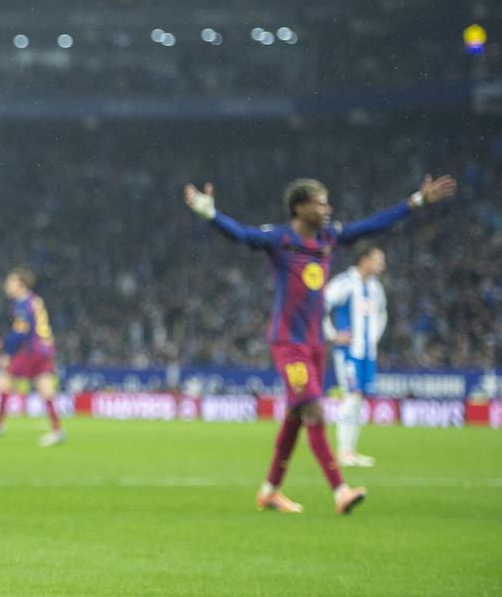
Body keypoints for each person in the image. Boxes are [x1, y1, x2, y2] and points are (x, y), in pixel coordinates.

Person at [184, 174, 455, 514]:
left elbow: (372, 225)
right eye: (320, 202)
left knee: (296, 418)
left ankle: (270, 490)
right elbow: (242, 235)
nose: (327, 208)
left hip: (315, 345)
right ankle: (340, 490)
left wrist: (416, 201)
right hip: (288, 344)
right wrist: (210, 214)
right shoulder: (280, 239)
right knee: (314, 409)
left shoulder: (329, 238)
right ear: (300, 207)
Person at [0, 268, 66, 446]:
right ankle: (57, 430)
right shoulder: (35, 300)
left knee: (4, 381)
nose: (7, 285)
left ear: (20, 285)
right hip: (45, 349)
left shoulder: (23, 304)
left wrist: (5, 350)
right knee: (45, 388)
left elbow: (21, 332)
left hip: (32, 350)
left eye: (11, 282)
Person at [323, 244, 387, 467]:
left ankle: (351, 451)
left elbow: (382, 315)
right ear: (364, 260)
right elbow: (321, 305)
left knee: (359, 400)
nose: (382, 265)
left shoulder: (375, 287)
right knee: (352, 397)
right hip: (348, 352)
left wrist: (373, 340)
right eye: (378, 260)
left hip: (367, 353)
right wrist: (331, 335)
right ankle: (343, 453)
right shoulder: (345, 283)